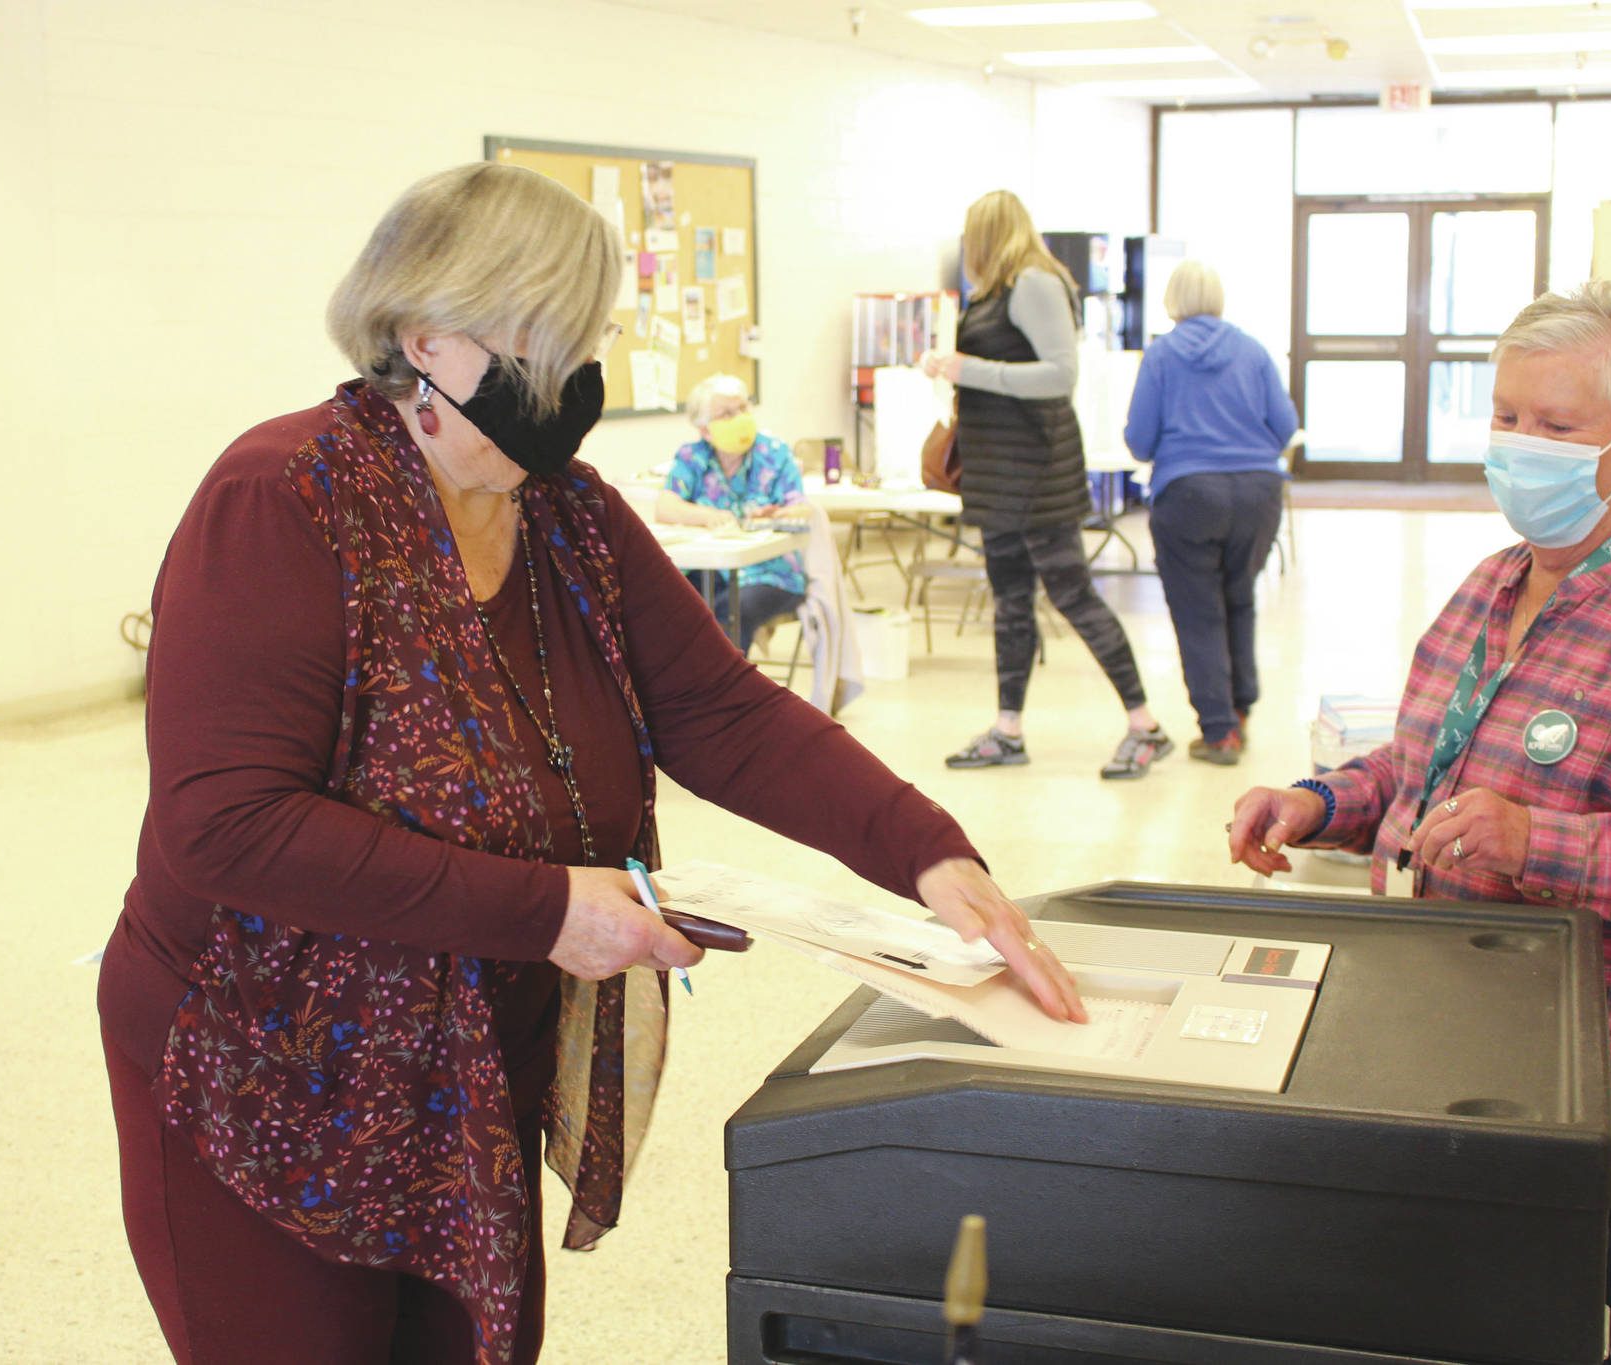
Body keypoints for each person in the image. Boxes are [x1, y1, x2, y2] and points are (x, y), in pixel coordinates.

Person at [97, 162, 1085, 1365]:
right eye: (536, 354)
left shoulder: (566, 514)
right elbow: (228, 823)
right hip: (268, 1066)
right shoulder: (284, 498)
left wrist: (925, 852)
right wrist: (545, 907)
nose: (563, 391)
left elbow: (722, 713)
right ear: (423, 343)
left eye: (581, 352)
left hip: (462, 1065)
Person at [1227, 281, 1611, 1365]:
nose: (1518, 447)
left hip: (1603, 1074)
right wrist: (1316, 804)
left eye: (1555, 427)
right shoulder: (1492, 582)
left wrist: (1538, 844)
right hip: (1453, 1030)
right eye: (1506, 417)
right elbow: (1417, 764)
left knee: (1607, 1314)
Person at [918, 189, 1170, 779]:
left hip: (1036, 473)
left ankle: (1145, 725)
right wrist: (951, 369)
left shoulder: (1034, 282)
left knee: (1072, 595)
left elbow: (1059, 376)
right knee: (1010, 604)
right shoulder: (1000, 289)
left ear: (984, 235)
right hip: (998, 473)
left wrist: (966, 368)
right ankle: (1008, 729)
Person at [1123, 260, 1298, 766]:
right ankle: (1240, 710)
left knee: (1198, 612)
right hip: (1258, 494)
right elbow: (1285, 427)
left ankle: (1218, 731)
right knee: (1239, 596)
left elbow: (1139, 440)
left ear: (1171, 300)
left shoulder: (1160, 355)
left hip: (1189, 494)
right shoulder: (1252, 349)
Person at [655, 373, 807, 652]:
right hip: (708, 568)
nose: (739, 418)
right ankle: (683, 689)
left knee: (731, 610)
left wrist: (775, 515)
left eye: (743, 408)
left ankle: (727, 690)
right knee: (666, 603)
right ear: (705, 430)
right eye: (726, 414)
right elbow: (665, 507)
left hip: (770, 572)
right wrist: (707, 516)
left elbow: (801, 509)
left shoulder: (774, 452)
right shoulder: (693, 457)